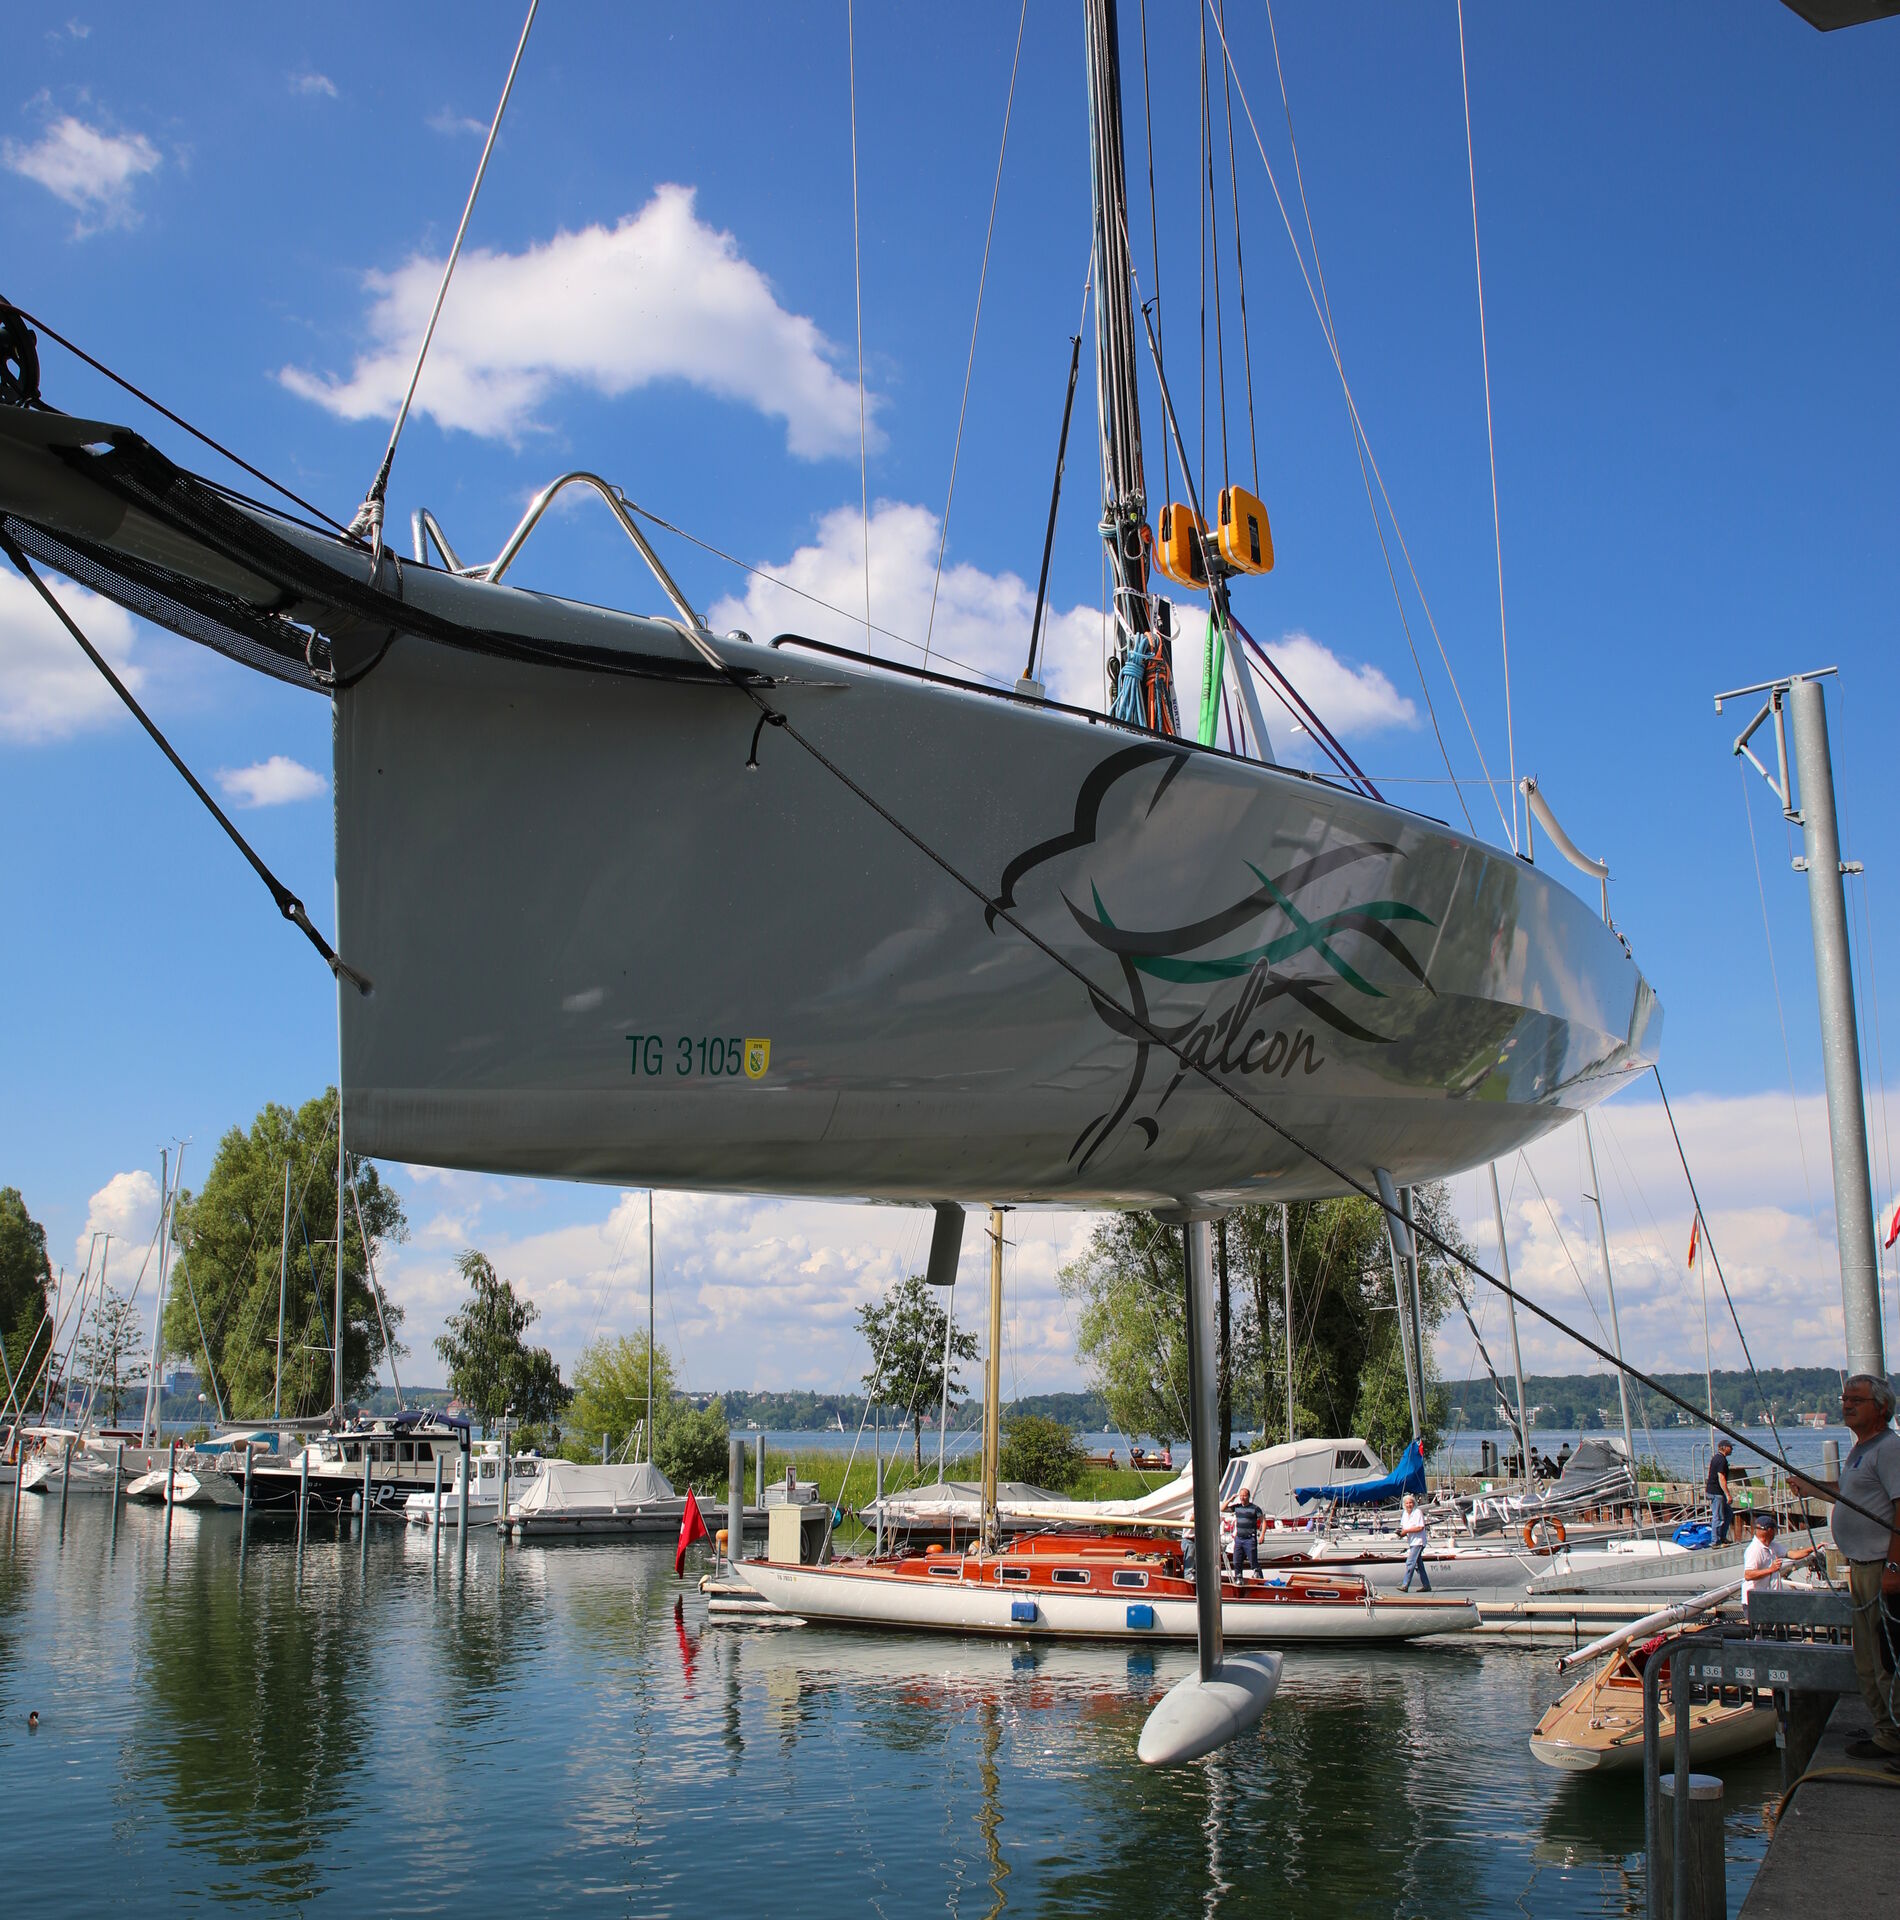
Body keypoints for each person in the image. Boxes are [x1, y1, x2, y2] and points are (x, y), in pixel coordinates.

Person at [1792, 1374, 1900, 1763]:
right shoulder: (1861, 1450)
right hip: (1861, 1567)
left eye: (1856, 1399)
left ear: (1881, 1408)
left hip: (1879, 1566)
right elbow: (1850, 1493)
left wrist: (1894, 1566)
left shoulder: (1889, 1449)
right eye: (1845, 1398)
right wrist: (1811, 1487)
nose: (1847, 1404)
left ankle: (1895, 1733)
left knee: (1886, 1658)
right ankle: (1888, 1733)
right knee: (1866, 1659)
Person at [1741, 1513, 1790, 1618]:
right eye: (1774, 1530)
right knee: (1761, 1628)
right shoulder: (1754, 1550)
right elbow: (1748, 1575)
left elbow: (1791, 1554)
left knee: (1776, 1626)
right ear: (1770, 1531)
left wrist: (1812, 1549)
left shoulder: (1772, 1546)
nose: (1775, 1533)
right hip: (1755, 1602)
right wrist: (1771, 1569)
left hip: (1769, 1600)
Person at [1397, 1492, 1431, 1593]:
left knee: (1410, 1562)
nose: (1409, 1505)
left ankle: (1405, 1585)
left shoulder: (1417, 1512)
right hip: (1411, 1542)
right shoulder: (1404, 1514)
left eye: (1410, 1503)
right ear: (1404, 1504)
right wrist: (1401, 1533)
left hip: (1418, 1541)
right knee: (1418, 1565)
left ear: (1414, 1503)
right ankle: (1426, 1585)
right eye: (1407, 1503)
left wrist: (1406, 1531)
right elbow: (1404, 1528)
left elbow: (1420, 1527)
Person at [1229, 1485, 1265, 1578]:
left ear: (1248, 1496)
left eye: (1244, 1496)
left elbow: (1263, 1521)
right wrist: (1231, 1499)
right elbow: (1222, 1509)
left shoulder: (1255, 1508)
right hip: (1239, 1538)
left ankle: (1259, 1577)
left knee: (1253, 1560)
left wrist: (1262, 1535)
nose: (1242, 1498)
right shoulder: (1237, 1507)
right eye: (1241, 1496)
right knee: (1237, 1561)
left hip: (1250, 1539)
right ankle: (1238, 1577)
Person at [1706, 1439, 1736, 1544]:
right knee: (1718, 1517)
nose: (1732, 1449)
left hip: (1716, 1491)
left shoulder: (1718, 1458)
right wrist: (1728, 1494)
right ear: (1724, 1447)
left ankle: (1722, 1537)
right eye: (1730, 1447)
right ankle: (1715, 1541)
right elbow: (1721, 1477)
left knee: (1728, 1513)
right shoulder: (1720, 1460)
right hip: (1716, 1492)